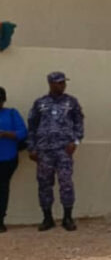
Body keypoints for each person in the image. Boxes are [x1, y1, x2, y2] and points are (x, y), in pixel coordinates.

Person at [28, 72, 84, 232]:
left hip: (64, 150)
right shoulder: (40, 103)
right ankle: (47, 218)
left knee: (66, 183)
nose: (62, 85)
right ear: (50, 84)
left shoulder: (71, 102)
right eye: (59, 83)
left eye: (63, 82)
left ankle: (67, 217)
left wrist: (76, 141)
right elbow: (32, 126)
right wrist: (31, 147)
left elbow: (79, 123)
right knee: (44, 184)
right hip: (44, 151)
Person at [0, 87, 27, 233]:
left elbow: (23, 132)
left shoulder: (11, 113)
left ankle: (0, 220)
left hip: (7, 158)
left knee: (2, 189)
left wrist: (6, 134)